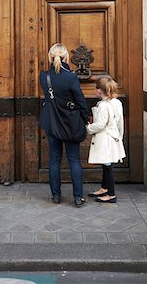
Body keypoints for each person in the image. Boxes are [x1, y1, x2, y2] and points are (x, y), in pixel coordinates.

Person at [39, 43, 89, 207]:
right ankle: (77, 197)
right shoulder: (71, 77)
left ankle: (55, 195)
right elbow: (80, 101)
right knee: (74, 160)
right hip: (70, 124)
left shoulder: (43, 76)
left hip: (52, 123)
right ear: (66, 57)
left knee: (54, 160)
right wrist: (84, 118)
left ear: (50, 57)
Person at [86, 77, 126, 203]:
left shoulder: (104, 105)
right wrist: (120, 138)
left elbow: (100, 124)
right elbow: (120, 122)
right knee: (106, 164)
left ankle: (111, 194)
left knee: (107, 166)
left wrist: (88, 128)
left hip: (105, 139)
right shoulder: (117, 102)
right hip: (113, 137)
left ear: (99, 91)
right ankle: (104, 188)